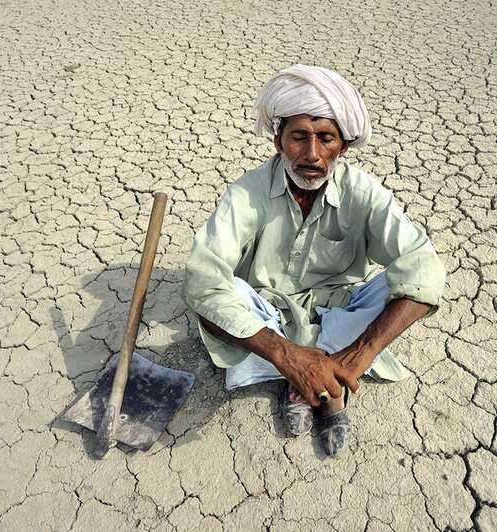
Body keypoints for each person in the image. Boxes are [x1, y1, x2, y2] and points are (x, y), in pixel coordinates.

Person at [182, 64, 446, 456]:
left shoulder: (364, 192)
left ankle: (332, 372)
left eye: (325, 139)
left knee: (405, 281)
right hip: (268, 313)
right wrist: (287, 355)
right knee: (220, 293)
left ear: (343, 145)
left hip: (340, 314)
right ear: (278, 141)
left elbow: (423, 265)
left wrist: (358, 356)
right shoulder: (247, 193)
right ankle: (317, 381)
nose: (312, 155)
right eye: (299, 138)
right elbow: (205, 280)